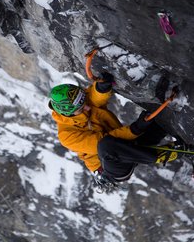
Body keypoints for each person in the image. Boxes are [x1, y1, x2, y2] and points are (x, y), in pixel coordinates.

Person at [48, 73, 178, 192]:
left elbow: (93, 97)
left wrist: (101, 88)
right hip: (111, 167)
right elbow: (103, 142)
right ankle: (156, 156)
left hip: (127, 147)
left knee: (161, 122)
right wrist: (135, 129)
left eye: (84, 102)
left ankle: (176, 143)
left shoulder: (76, 102)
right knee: (106, 145)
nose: (87, 107)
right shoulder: (66, 135)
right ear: (68, 113)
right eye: (81, 108)